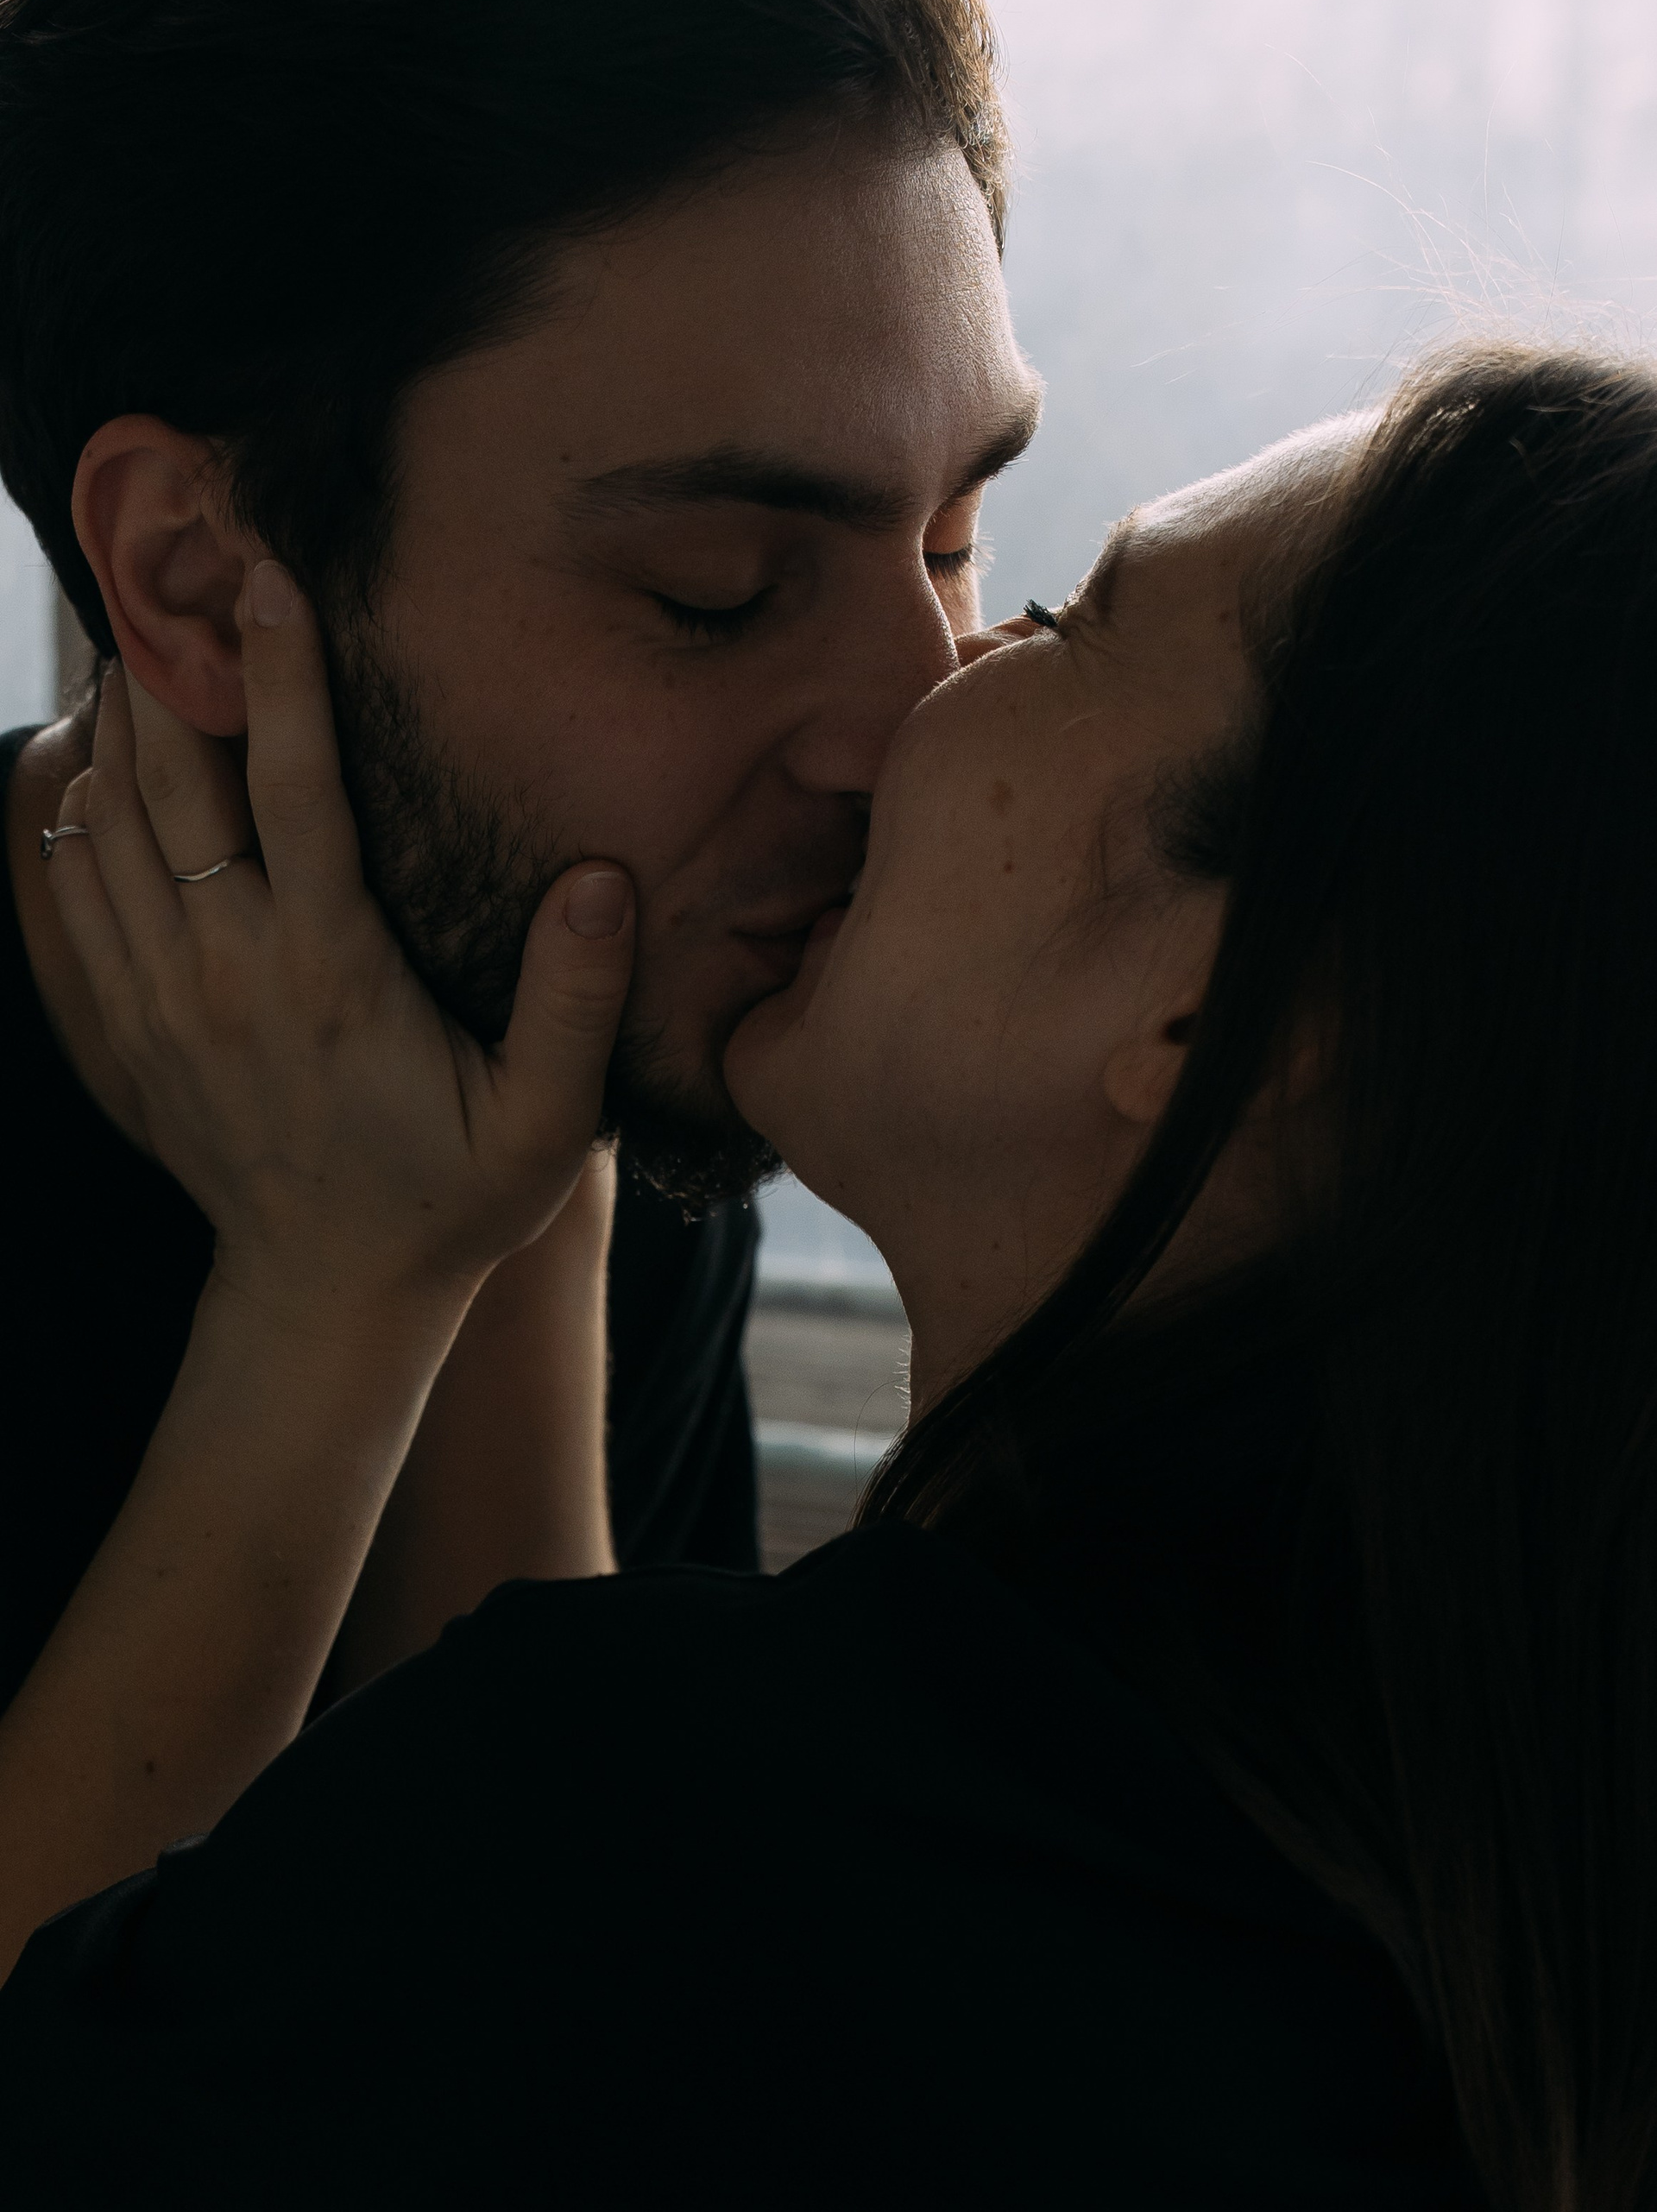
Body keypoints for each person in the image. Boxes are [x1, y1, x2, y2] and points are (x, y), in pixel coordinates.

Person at [16, 334, 1654, 2209]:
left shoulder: (706, 1853)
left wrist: (335, 1287)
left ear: (1216, 1020)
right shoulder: (1462, 1892)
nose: (916, 693)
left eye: (1054, 616)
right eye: (721, 593)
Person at [0, 0, 1037, 1740]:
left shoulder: (601, 1023)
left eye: (953, 539)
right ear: (199, 583)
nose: (924, 731)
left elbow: (543, 1931)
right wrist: (341, 1299)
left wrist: (508, 1235)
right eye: (717, 589)